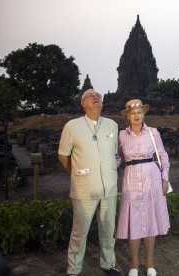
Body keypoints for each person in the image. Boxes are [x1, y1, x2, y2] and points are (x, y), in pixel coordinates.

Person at [58, 89, 120, 276]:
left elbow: (114, 154)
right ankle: (74, 269)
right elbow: (63, 156)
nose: (96, 98)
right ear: (83, 103)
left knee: (108, 229)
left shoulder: (112, 125)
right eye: (90, 96)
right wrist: (76, 174)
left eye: (98, 96)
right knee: (80, 232)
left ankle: (108, 264)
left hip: (109, 186)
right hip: (84, 188)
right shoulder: (72, 126)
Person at [116, 99, 171, 276]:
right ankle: (134, 263)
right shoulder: (122, 135)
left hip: (151, 178)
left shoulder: (153, 133)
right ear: (128, 117)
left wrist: (164, 179)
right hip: (131, 177)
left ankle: (149, 262)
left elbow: (163, 156)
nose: (137, 116)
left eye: (139, 112)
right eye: (133, 113)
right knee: (134, 221)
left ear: (144, 114)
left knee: (149, 220)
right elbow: (117, 159)